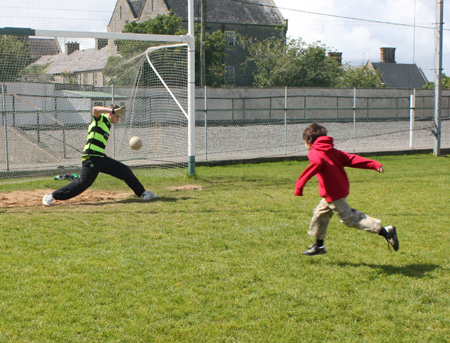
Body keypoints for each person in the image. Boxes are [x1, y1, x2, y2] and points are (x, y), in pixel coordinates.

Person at [294, 122, 399, 256]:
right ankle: (319, 245)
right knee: (320, 214)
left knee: (349, 218)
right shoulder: (332, 151)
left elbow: (317, 163)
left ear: (309, 141)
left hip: (334, 194)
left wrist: (299, 186)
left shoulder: (315, 153)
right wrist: (373, 164)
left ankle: (384, 231)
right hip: (339, 190)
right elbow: (351, 159)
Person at [42, 104, 157, 206]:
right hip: (91, 157)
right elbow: (95, 109)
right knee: (83, 183)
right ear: (110, 113)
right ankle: (52, 196)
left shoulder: (107, 124)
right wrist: (111, 110)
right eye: (117, 116)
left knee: (124, 170)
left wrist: (113, 112)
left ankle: (143, 193)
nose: (118, 118)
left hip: (101, 158)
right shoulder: (100, 119)